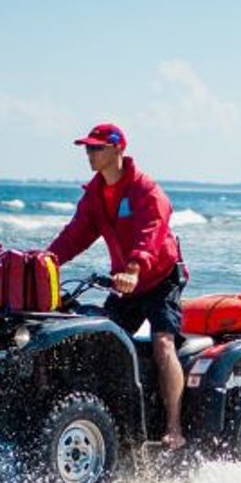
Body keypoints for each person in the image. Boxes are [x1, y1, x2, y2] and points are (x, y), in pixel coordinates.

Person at [46, 123, 189, 450]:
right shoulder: (95, 195)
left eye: (96, 148)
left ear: (117, 149)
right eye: (87, 148)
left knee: (163, 343)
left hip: (159, 278)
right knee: (100, 343)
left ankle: (174, 428)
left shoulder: (145, 190)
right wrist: (45, 261)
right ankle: (114, 421)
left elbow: (150, 233)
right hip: (126, 284)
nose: (89, 154)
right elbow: (76, 234)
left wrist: (135, 267)